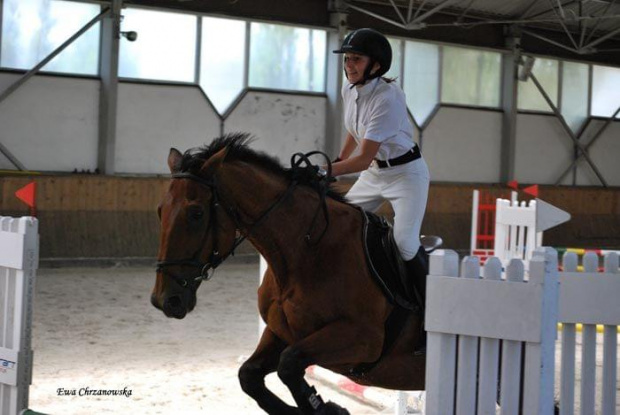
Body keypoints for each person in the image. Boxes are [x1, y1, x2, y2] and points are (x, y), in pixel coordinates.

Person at [331, 28, 430, 306]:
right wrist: (337, 160)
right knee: (341, 220)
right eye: (347, 59)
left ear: (375, 64)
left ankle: (429, 306)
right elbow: (356, 129)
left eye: (356, 60)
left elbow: (362, 158)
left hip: (406, 175)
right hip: (375, 172)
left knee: (406, 242)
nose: (349, 66)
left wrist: (326, 171)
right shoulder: (349, 89)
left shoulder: (389, 97)